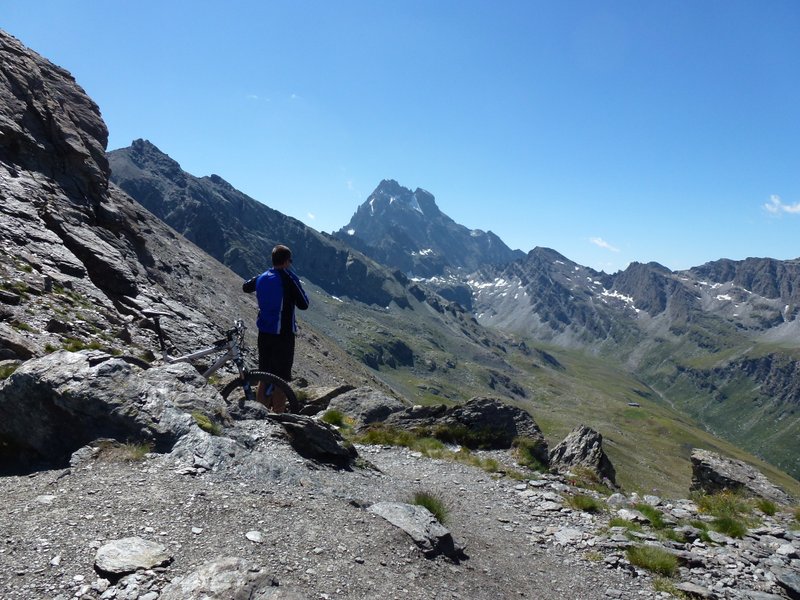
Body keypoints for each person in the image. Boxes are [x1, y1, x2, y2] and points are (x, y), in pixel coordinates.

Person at [242, 244, 309, 412]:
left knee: (264, 374)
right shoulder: (289, 278)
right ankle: (278, 417)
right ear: (287, 261)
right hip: (283, 335)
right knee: (281, 378)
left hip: (264, 333)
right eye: (290, 260)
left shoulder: (263, 276)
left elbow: (245, 286)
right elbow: (304, 304)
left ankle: (259, 413)